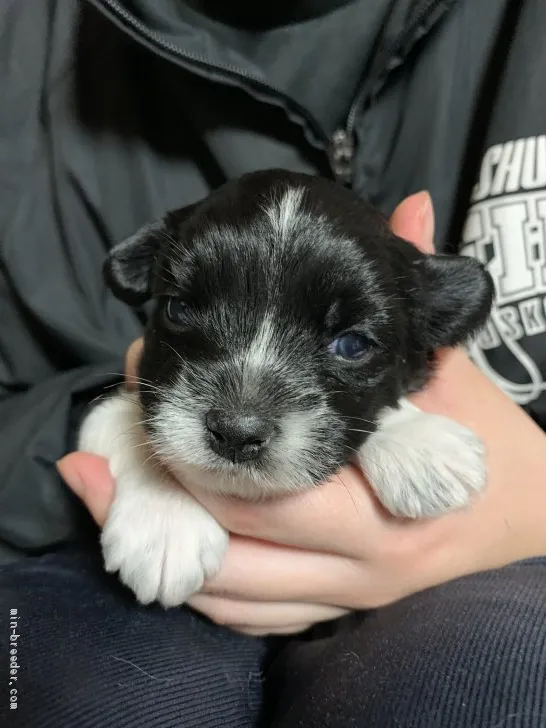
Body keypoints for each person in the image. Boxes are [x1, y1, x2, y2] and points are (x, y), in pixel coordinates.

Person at [1, 1, 545, 726]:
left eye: (349, 343)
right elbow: (109, 408)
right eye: (187, 311)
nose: (243, 412)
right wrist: (138, 462)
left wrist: (527, 499)